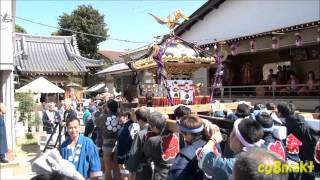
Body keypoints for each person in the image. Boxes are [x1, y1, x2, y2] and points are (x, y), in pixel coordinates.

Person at [197, 118, 265, 180]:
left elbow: (203, 158)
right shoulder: (263, 154)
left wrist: (213, 140)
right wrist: (208, 123)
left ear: (236, 139)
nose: (229, 136)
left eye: (232, 132)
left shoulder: (234, 165)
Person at [168, 115, 212, 180]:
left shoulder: (185, 155)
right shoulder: (214, 143)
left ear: (188, 134)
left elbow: (175, 177)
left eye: (182, 133)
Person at [143, 111, 180, 180]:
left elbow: (146, 153)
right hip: (176, 171)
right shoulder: (177, 134)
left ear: (153, 127)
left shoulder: (152, 140)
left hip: (161, 174)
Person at [95, 99, 121, 180]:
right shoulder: (120, 117)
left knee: (108, 168)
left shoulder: (103, 117)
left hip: (106, 144)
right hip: (118, 144)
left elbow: (95, 122)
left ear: (108, 108)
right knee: (117, 168)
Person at [126, 107, 153, 180]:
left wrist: (131, 171)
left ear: (139, 120)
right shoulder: (155, 131)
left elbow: (134, 155)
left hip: (142, 169)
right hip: (155, 168)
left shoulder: (140, 134)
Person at [117, 109, 138, 180]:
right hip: (135, 157)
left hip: (126, 158)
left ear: (126, 117)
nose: (118, 119)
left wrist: (121, 160)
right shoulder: (135, 125)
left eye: (119, 117)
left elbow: (122, 146)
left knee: (125, 176)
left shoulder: (125, 129)